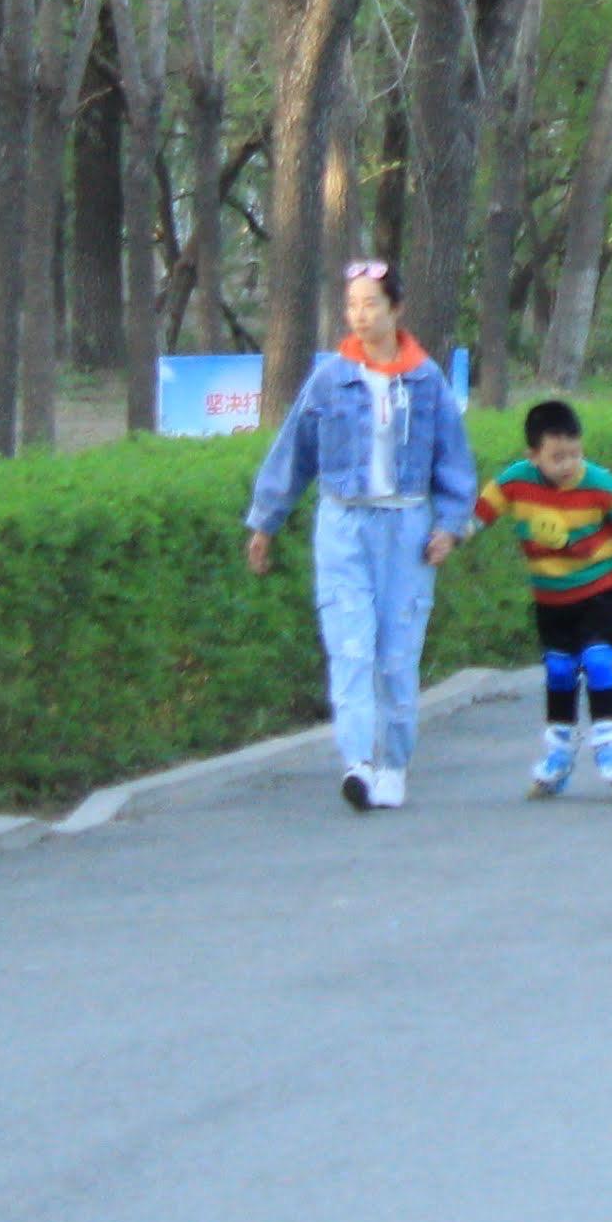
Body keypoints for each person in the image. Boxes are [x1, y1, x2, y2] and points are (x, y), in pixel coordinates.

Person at [240, 258, 477, 812]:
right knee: (349, 646)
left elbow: (455, 462)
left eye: (371, 304)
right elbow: (293, 451)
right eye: (352, 306)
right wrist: (265, 523)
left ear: (396, 309)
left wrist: (449, 528)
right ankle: (358, 764)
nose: (360, 315)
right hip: (343, 524)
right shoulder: (330, 378)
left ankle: (393, 763)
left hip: (406, 527)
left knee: (397, 654)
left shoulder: (427, 380)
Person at [469, 396, 612, 796]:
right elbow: (479, 513)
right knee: (558, 671)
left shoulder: (600, 484)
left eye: (574, 454)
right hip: (551, 597)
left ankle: (609, 742)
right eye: (557, 457)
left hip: (599, 589)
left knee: (598, 660)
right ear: (533, 455)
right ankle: (559, 752)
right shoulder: (515, 481)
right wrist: (448, 537)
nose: (568, 465)